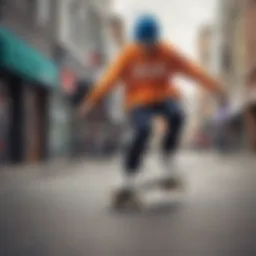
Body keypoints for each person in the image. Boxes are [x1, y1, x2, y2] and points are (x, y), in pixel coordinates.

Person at [78, 14, 225, 206]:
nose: (147, 49)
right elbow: (109, 79)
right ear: (138, 41)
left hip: (165, 96)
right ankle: (127, 177)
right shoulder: (128, 55)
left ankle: (167, 157)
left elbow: (193, 70)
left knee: (178, 114)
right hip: (137, 101)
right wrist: (91, 100)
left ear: (157, 40)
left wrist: (216, 88)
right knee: (143, 130)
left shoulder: (168, 52)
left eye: (151, 44)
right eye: (143, 44)